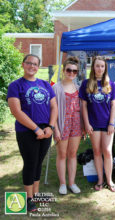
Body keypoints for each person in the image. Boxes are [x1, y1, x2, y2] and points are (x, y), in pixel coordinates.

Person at [7, 54, 58, 212]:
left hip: (46, 130)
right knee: (30, 163)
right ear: (23, 64)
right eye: (29, 63)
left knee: (38, 163)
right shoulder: (16, 85)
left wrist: (50, 127)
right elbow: (16, 111)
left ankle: (36, 194)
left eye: (35, 64)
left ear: (38, 67)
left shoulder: (45, 84)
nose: (32, 66)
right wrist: (35, 129)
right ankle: (28, 199)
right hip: (27, 130)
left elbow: (54, 107)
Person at [79, 56, 115, 192]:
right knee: (97, 152)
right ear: (93, 67)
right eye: (97, 66)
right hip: (93, 123)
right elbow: (83, 106)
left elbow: (113, 105)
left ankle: (109, 180)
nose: (100, 69)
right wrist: (86, 124)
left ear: (105, 68)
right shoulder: (86, 84)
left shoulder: (110, 84)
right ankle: (100, 180)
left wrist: (111, 123)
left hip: (107, 124)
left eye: (102, 66)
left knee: (107, 151)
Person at [53, 57, 83, 195]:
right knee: (62, 154)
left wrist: (83, 126)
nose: (71, 73)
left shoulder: (78, 88)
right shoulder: (56, 88)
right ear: (64, 70)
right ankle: (63, 184)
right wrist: (56, 129)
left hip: (76, 124)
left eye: (74, 71)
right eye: (69, 70)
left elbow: (82, 108)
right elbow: (52, 111)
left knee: (72, 154)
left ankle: (72, 183)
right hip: (62, 123)